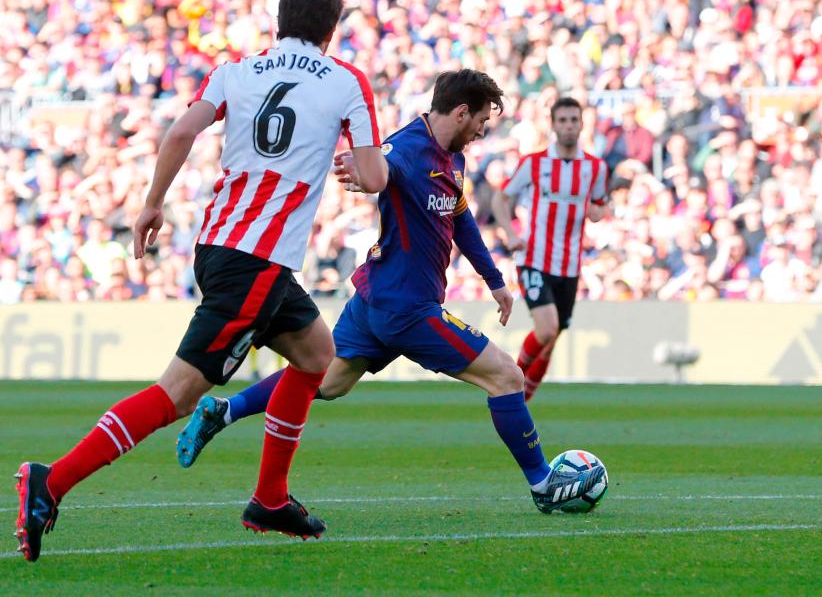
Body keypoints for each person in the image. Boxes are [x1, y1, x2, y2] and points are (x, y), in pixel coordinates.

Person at [14, 0, 388, 562]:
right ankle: (51, 481)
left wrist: (152, 202)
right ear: (331, 30)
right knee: (178, 394)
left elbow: (183, 129)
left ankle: (270, 498)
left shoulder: (234, 71)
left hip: (220, 246)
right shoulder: (347, 82)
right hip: (258, 262)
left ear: (279, 22)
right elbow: (374, 178)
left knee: (318, 355)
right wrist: (354, 165)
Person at [176, 71, 605, 514]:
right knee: (507, 377)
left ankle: (223, 411)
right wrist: (362, 173)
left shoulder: (452, 156)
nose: (481, 131)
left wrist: (493, 280)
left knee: (327, 381)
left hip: (375, 299)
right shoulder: (404, 150)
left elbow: (460, 218)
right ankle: (541, 483)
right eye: (480, 120)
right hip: (408, 310)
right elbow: (377, 168)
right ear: (461, 113)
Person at [490, 97, 608, 400]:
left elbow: (597, 207)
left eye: (574, 120)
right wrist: (509, 233)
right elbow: (500, 199)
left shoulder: (595, 168)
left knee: (551, 337)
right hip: (534, 259)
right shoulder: (534, 163)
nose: (569, 126)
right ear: (553, 125)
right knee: (546, 329)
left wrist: (599, 211)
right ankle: (509, 384)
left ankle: (521, 402)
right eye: (563, 120)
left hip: (569, 266)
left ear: (581, 124)